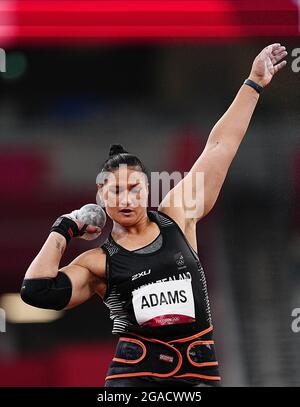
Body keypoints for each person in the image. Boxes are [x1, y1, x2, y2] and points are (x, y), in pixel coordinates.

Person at [20, 43, 287, 387]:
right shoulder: (98, 263)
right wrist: (64, 228)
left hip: (197, 381)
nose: (126, 198)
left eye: (134, 188)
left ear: (148, 190)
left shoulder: (177, 215)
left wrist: (252, 83)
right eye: (115, 191)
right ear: (101, 197)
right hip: (134, 383)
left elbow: (219, 146)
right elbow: (37, 292)